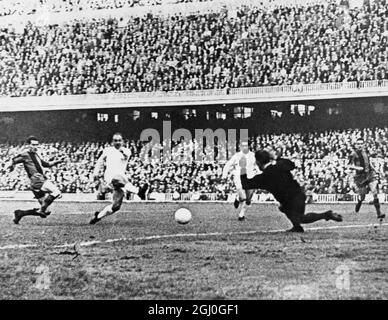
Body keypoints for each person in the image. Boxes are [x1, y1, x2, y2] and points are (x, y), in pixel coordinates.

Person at [240, 150, 343, 232]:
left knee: (300, 218)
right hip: (297, 194)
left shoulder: (263, 177)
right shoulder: (279, 165)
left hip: (291, 199)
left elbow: (246, 184)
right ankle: (297, 227)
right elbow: (292, 165)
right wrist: (277, 157)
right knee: (283, 208)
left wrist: (242, 169)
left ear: (258, 162)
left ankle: (326, 215)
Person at [89, 133, 148, 224]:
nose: (117, 142)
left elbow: (125, 156)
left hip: (122, 179)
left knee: (116, 206)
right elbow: (100, 160)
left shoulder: (127, 151)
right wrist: (95, 172)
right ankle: (138, 192)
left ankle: (98, 216)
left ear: (123, 141)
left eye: (119, 140)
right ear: (112, 142)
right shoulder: (108, 150)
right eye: (115, 140)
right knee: (118, 178)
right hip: (110, 176)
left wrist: (121, 151)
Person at [5, 136, 65, 224]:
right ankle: (41, 210)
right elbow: (13, 160)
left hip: (36, 182)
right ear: (28, 145)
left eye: (37, 145)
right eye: (33, 145)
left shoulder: (36, 155)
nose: (35, 147)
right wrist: (10, 166)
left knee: (46, 211)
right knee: (56, 192)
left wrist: (58, 161)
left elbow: (46, 164)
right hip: (37, 179)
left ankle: (20, 213)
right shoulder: (25, 154)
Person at [349, 138, 385, 220]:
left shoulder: (366, 152)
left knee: (374, 192)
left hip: (370, 174)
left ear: (364, 144)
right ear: (356, 145)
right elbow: (349, 165)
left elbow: (369, 162)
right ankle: (359, 202)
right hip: (360, 177)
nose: (360, 145)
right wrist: (357, 168)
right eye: (358, 144)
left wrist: (375, 169)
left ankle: (379, 213)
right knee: (362, 196)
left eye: (361, 144)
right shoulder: (353, 154)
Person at [221, 141, 258, 221]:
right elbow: (228, 164)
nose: (244, 147)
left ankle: (240, 205)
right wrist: (224, 175)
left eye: (246, 146)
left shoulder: (253, 155)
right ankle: (241, 214)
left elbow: (258, 165)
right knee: (243, 197)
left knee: (248, 199)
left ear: (249, 146)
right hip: (239, 178)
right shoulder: (237, 156)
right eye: (243, 146)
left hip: (251, 178)